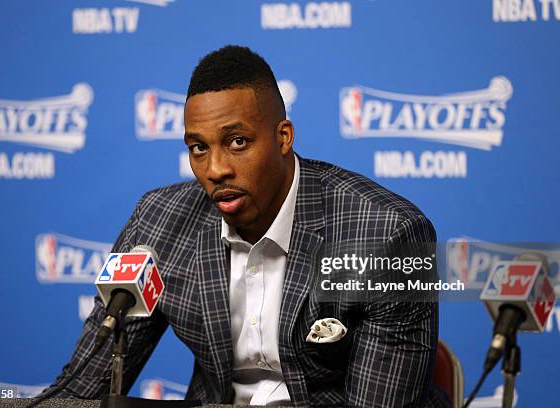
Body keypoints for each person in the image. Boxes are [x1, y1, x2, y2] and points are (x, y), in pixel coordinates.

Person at [42, 45, 448, 407]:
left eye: (237, 142)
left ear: (283, 137)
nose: (216, 169)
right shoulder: (158, 223)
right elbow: (82, 390)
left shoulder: (388, 236)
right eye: (199, 148)